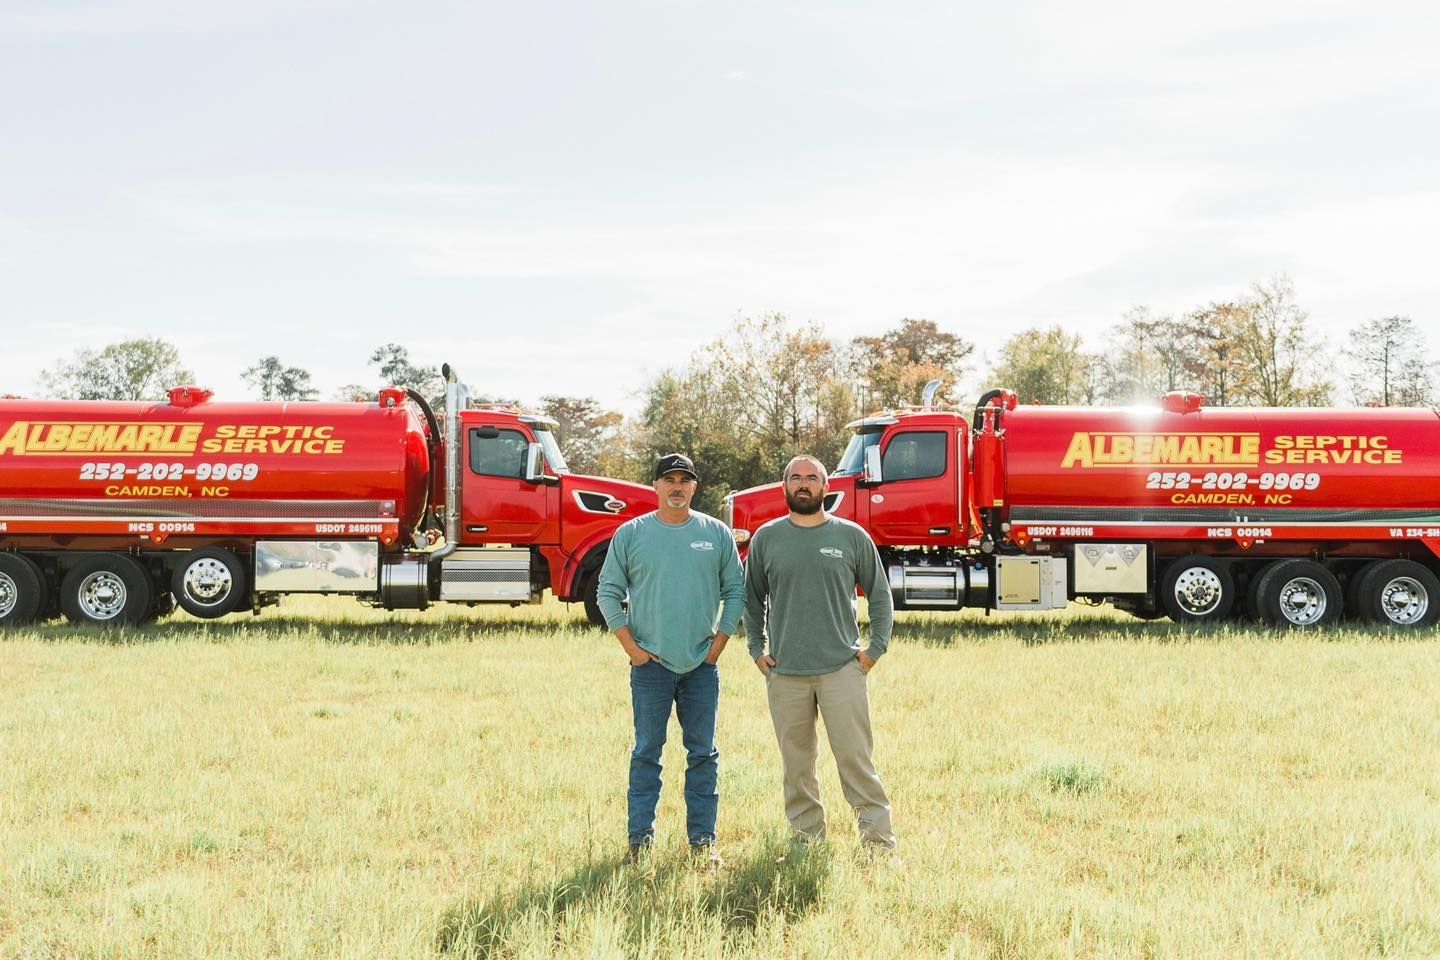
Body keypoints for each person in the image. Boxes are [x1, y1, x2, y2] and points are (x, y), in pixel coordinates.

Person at [597, 452, 745, 865]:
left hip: (701, 667)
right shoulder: (632, 534)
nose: (677, 487)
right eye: (669, 480)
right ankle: (638, 845)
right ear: (656, 487)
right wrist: (632, 649)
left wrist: (718, 646)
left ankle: (703, 844)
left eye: (685, 480)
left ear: (694, 487)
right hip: (651, 668)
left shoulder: (715, 534)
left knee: (703, 755)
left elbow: (735, 590)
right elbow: (607, 591)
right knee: (647, 752)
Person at [744, 454, 897, 850]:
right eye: (796, 478)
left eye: (812, 478)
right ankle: (806, 843)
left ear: (826, 488)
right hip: (786, 672)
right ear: (785, 487)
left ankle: (879, 845)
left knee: (856, 762)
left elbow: (880, 595)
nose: (804, 484)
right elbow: (752, 598)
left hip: (842, 670)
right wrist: (757, 649)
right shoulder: (767, 538)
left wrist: (874, 650)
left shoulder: (850, 536)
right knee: (797, 767)